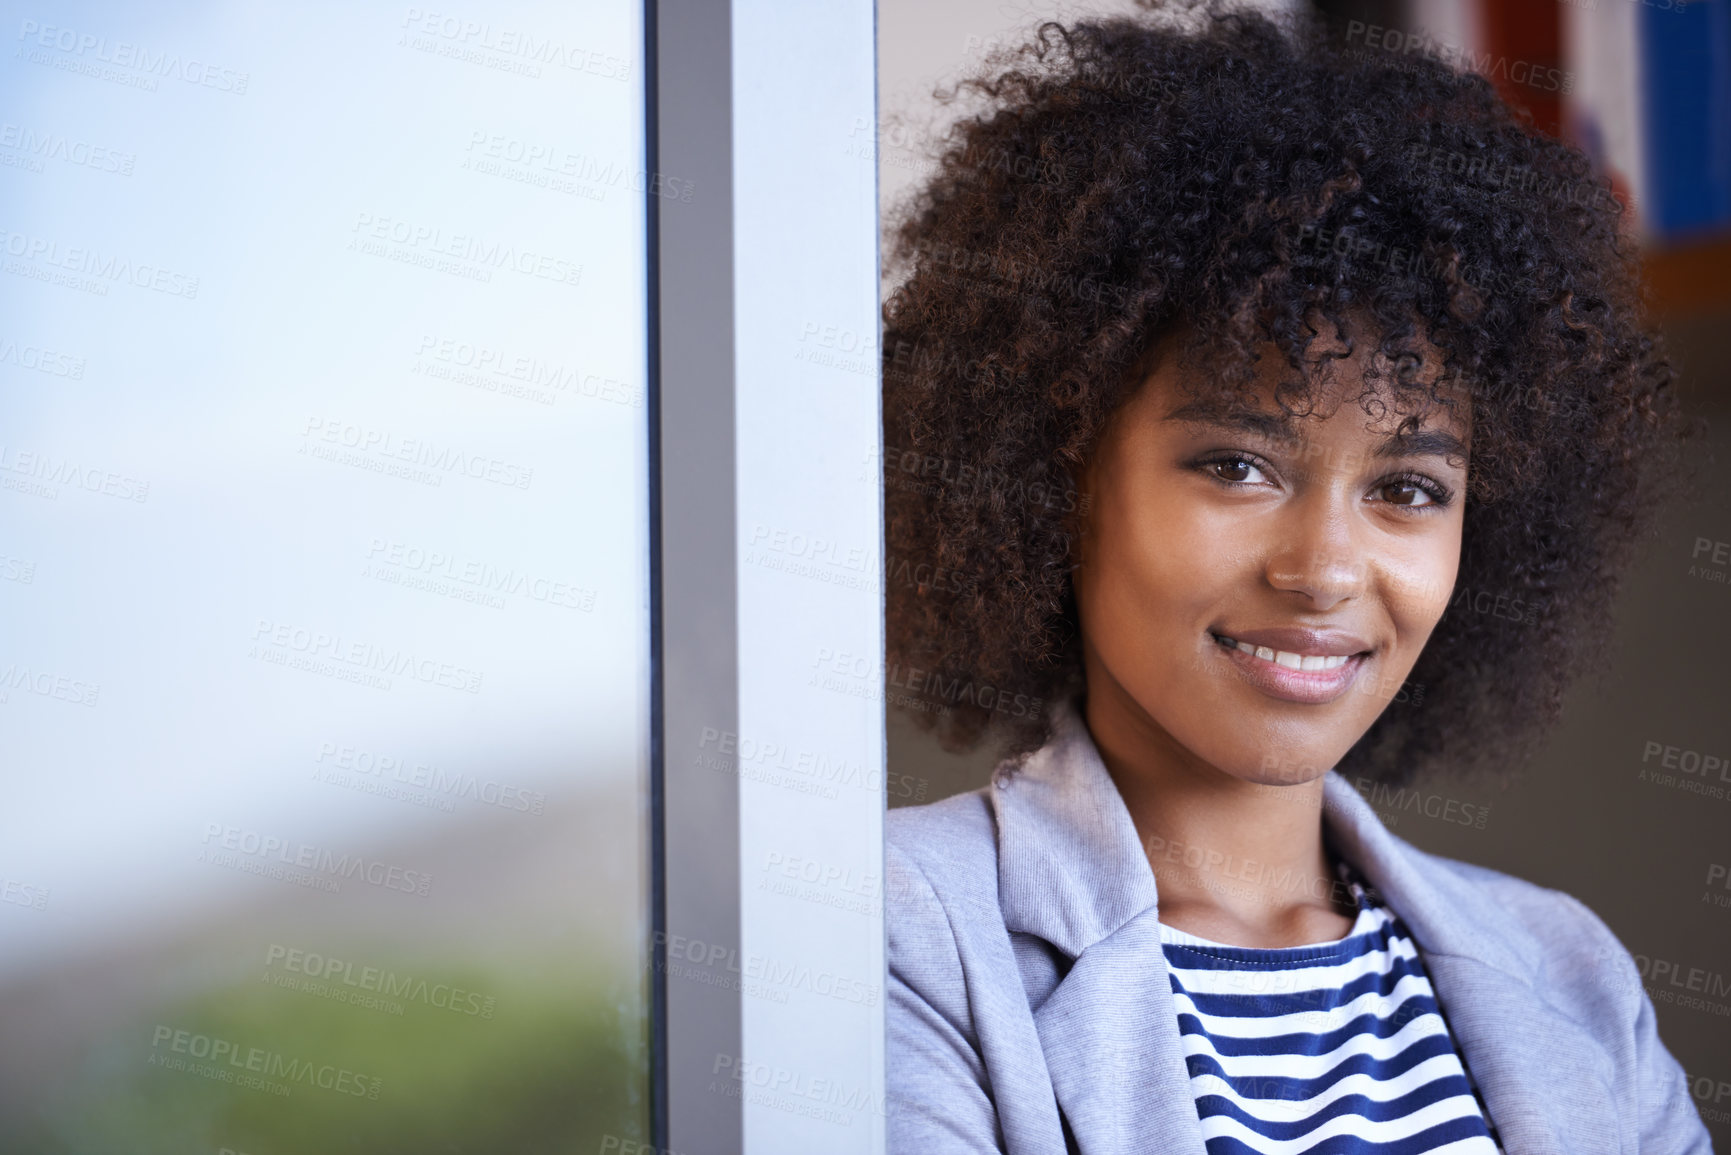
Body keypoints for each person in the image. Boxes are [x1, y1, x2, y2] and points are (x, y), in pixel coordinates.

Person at [879, 1, 1712, 1152]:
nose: (1324, 569)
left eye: (1409, 488)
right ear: (1051, 475)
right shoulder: (900, 935)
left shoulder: (1569, 972)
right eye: (1237, 465)